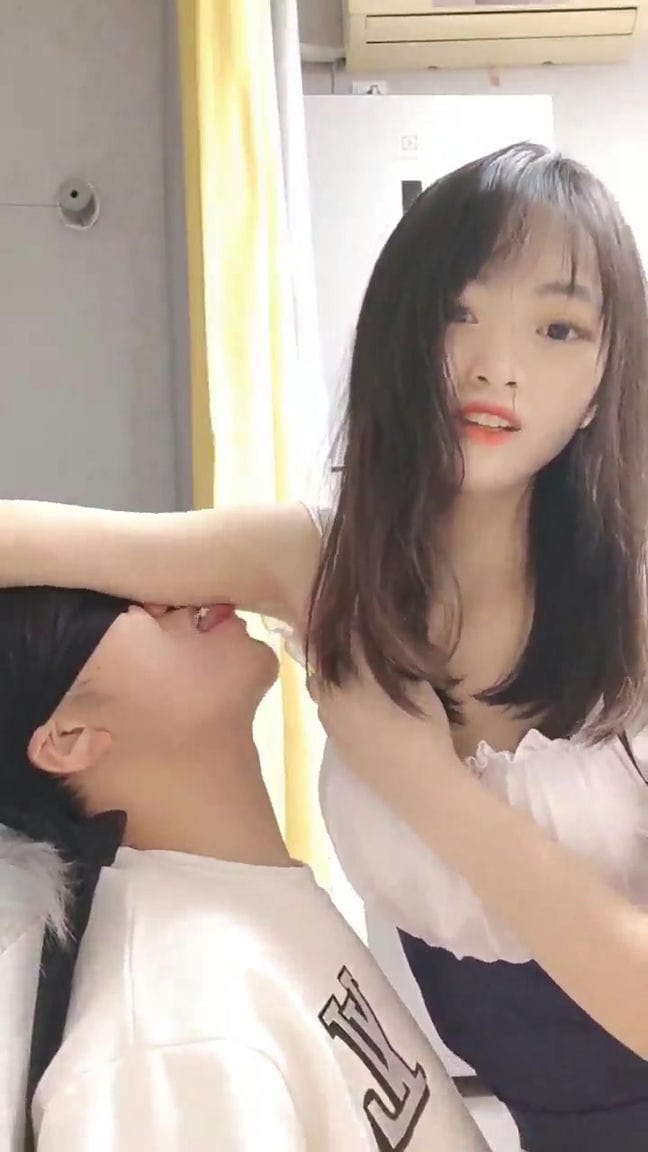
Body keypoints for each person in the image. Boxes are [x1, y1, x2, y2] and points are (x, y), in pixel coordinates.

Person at [1, 140, 648, 1148]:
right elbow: (29, 538)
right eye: (458, 311)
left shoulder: (634, 603)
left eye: (558, 327)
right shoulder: (320, 567)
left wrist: (417, 777)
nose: (497, 365)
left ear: (606, 381)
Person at [0, 586, 488, 1152]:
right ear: (68, 739)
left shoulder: (245, 905)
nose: (161, 592)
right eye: (105, 604)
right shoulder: (168, 1041)